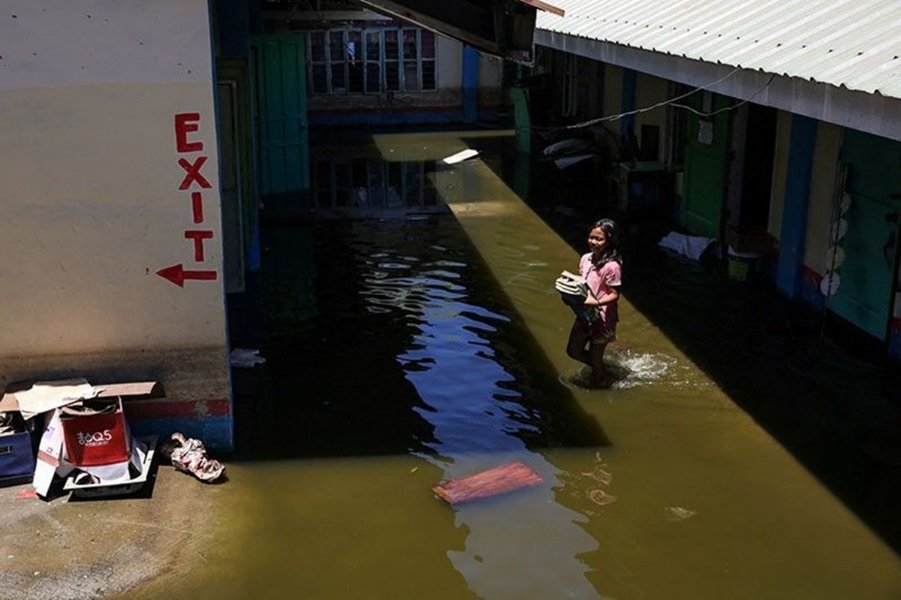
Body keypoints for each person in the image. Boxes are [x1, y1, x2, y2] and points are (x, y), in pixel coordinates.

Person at [565, 218, 623, 388]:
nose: (594, 242)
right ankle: (606, 372)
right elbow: (582, 285)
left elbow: (614, 295)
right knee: (573, 351)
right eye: (591, 237)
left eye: (599, 239)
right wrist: (569, 296)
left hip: (603, 319)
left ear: (609, 241)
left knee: (595, 357)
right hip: (584, 315)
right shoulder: (585, 259)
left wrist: (594, 301)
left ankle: (599, 385)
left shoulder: (612, 266)